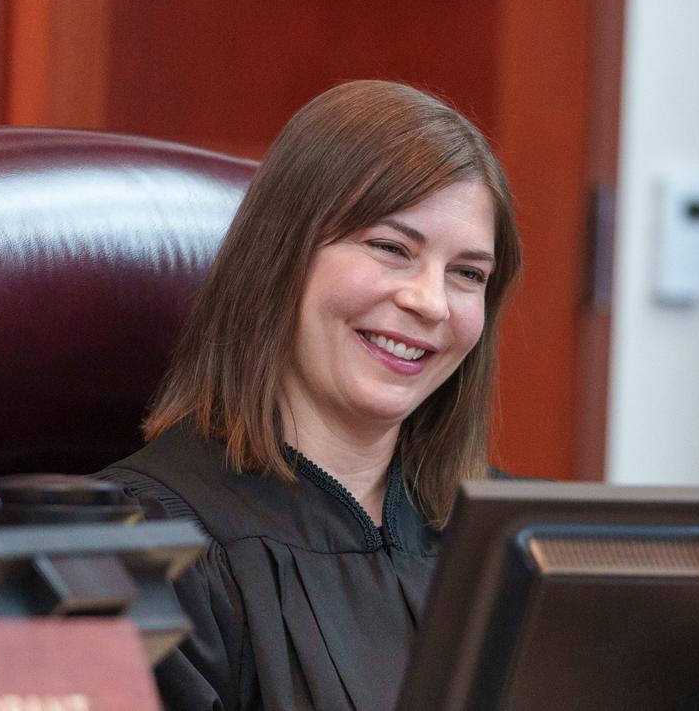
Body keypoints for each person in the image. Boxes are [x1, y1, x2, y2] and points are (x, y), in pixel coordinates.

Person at [97, 79, 522, 711]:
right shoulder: (141, 557)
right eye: (390, 248)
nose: (430, 302)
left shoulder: (516, 544)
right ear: (281, 255)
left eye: (467, 274)